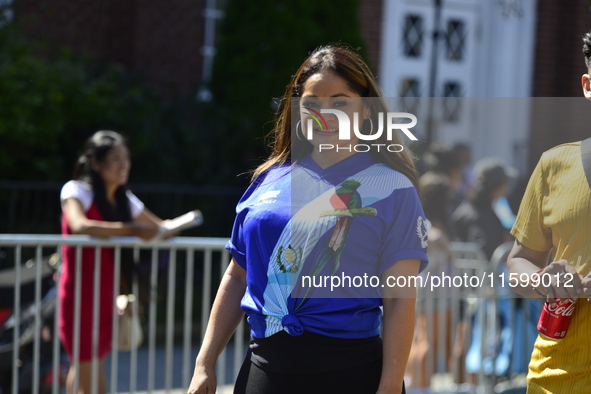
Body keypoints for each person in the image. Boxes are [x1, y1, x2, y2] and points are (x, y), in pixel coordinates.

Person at [188, 45, 428, 394]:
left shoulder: (394, 188)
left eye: (341, 101)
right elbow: (237, 276)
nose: (324, 113)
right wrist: (204, 364)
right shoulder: (267, 179)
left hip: (352, 372)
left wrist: (390, 384)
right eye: (312, 102)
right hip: (264, 370)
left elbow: (399, 299)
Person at [506, 32, 591, 393]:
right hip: (559, 374)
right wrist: (544, 280)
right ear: (588, 85)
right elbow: (518, 262)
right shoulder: (554, 165)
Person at [59, 130, 166, 394]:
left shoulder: (123, 199)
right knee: (94, 381)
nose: (124, 165)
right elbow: (79, 225)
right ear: (95, 162)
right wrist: (132, 229)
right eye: (116, 158)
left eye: (126, 158)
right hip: (79, 298)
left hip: (106, 298)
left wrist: (183, 224)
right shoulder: (76, 190)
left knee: (83, 372)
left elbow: (160, 228)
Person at [406, 172, 453, 388]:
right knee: (427, 342)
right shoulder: (429, 224)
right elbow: (430, 240)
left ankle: (415, 385)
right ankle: (418, 387)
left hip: (426, 289)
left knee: (420, 340)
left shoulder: (422, 217)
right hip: (435, 290)